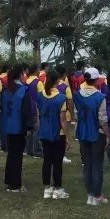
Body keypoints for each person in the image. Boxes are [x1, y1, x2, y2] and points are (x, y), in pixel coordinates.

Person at [73, 67, 110, 206]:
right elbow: (103, 120)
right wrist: (108, 135)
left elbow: (76, 115)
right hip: (96, 134)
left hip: (83, 132)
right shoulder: (100, 97)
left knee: (87, 164)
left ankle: (90, 194)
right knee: (97, 164)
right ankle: (97, 195)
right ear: (95, 80)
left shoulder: (77, 95)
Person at [37, 70, 70, 199]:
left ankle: (47, 188)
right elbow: (63, 119)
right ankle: (57, 188)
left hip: (44, 131)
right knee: (57, 162)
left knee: (47, 160)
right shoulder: (61, 98)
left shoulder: (41, 95)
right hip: (57, 133)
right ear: (57, 81)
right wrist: (67, 137)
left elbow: (39, 113)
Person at [2, 64, 35, 192]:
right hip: (19, 126)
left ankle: (10, 181)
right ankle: (15, 184)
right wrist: (29, 127)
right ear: (20, 75)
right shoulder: (23, 91)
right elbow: (26, 112)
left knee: (11, 154)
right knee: (17, 156)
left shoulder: (7, 90)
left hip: (8, 125)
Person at [56, 65, 75, 164]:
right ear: (63, 74)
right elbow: (70, 101)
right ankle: (62, 155)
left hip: (52, 112)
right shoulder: (65, 86)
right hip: (64, 112)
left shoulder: (49, 84)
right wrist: (72, 115)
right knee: (63, 133)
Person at [25, 63, 45, 158]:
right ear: (36, 70)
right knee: (37, 129)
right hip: (35, 108)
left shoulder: (26, 81)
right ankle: (37, 151)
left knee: (29, 130)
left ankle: (28, 150)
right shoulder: (38, 82)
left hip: (27, 108)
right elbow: (42, 96)